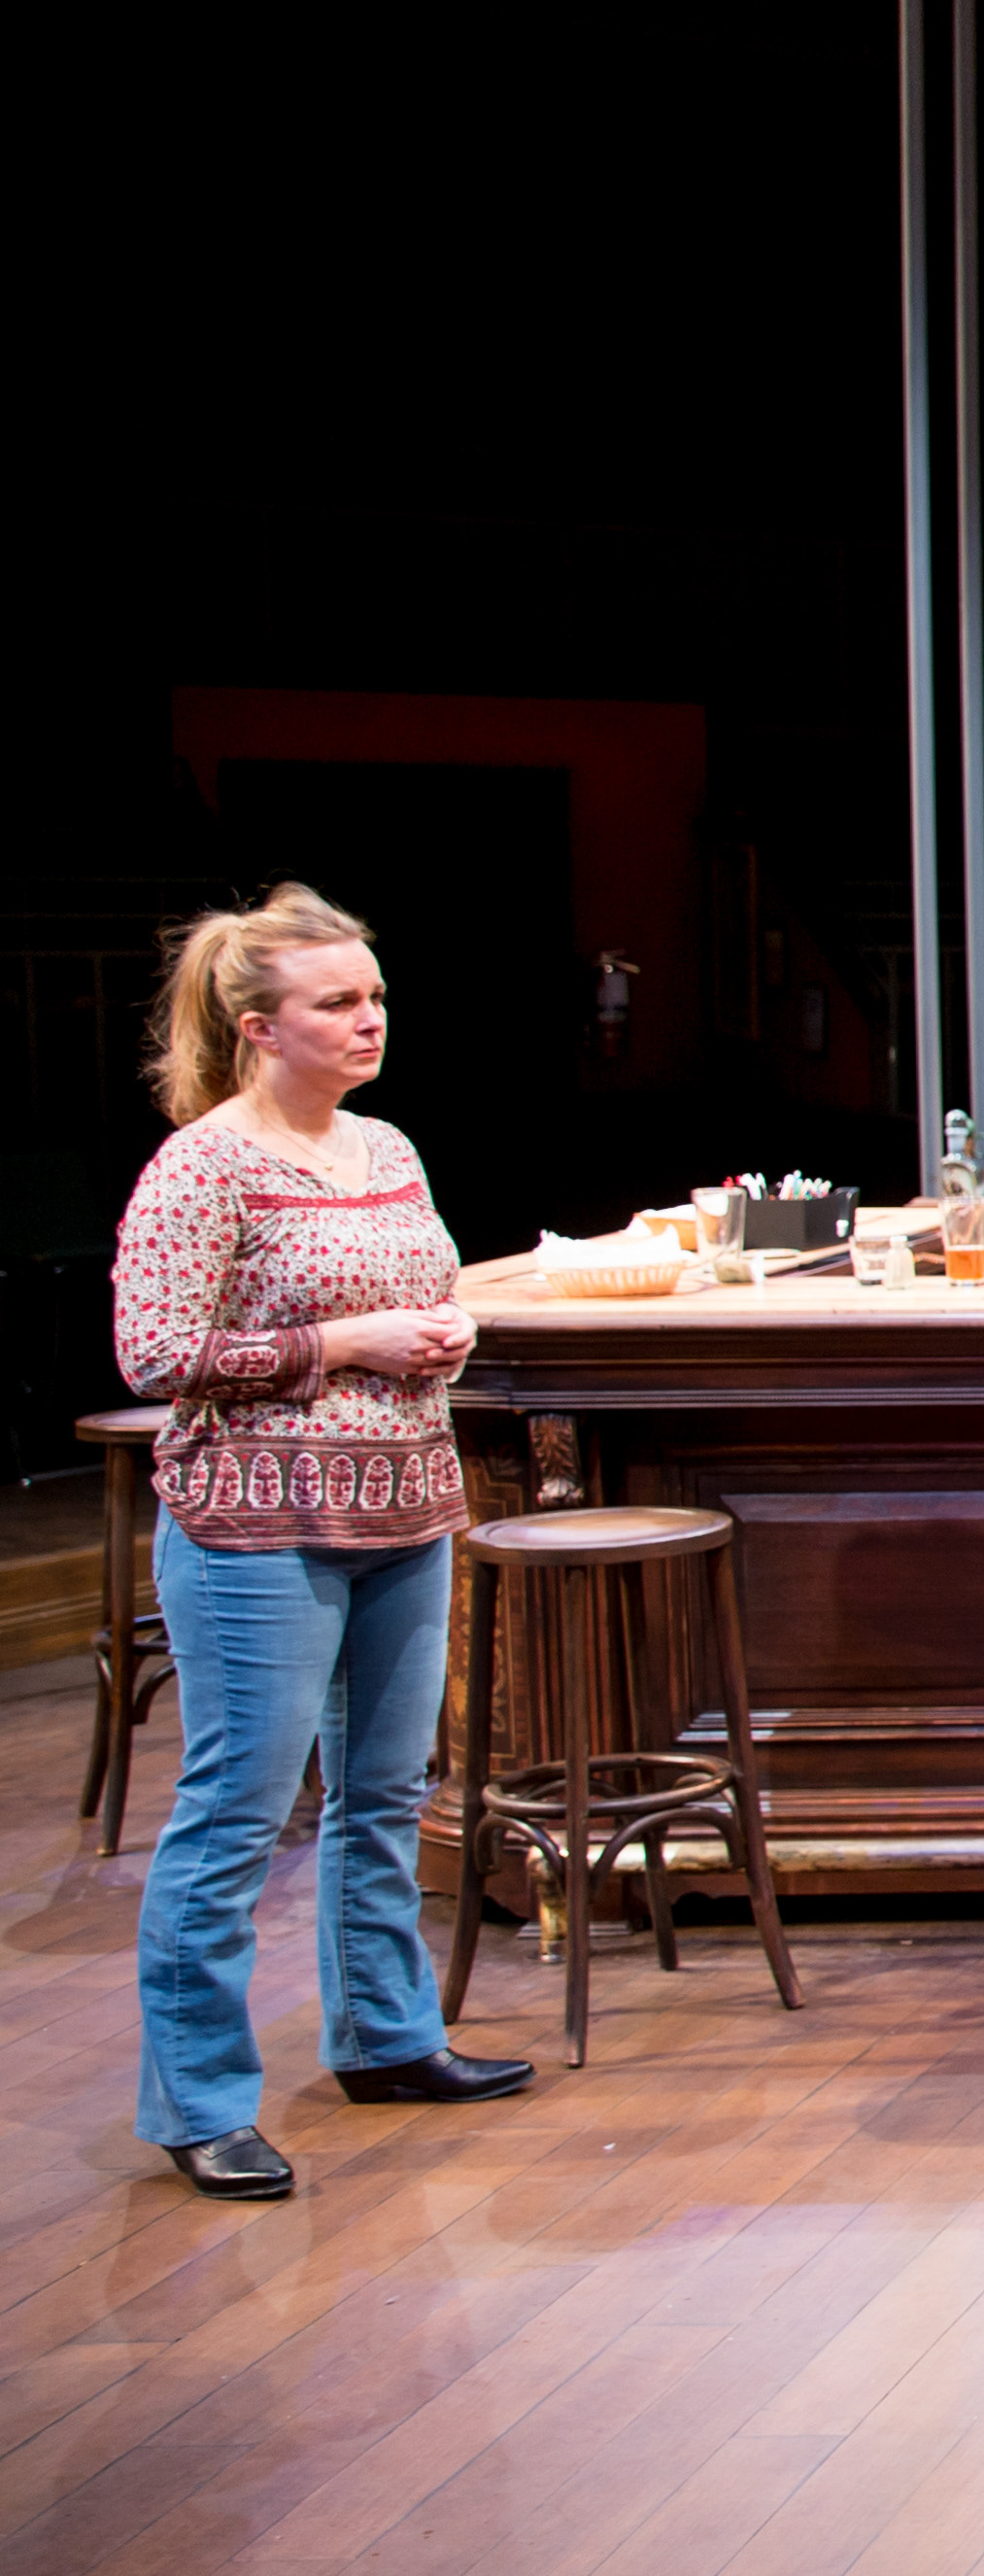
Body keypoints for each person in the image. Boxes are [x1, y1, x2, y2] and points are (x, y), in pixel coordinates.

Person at [113, 884, 536, 2201]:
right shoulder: (204, 1167)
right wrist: (345, 1343)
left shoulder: (387, 1148)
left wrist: (446, 1329)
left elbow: (426, 1286)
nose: (370, 1021)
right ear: (258, 1026)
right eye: (338, 1002)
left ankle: (385, 2038)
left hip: (404, 1504)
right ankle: (198, 2102)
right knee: (237, 1812)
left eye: (377, 998)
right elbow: (155, 1354)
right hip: (257, 1527)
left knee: (386, 1794)